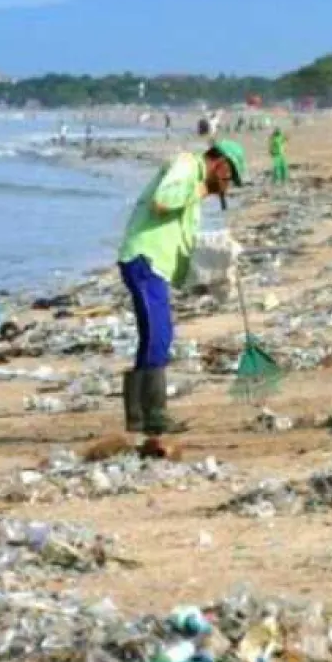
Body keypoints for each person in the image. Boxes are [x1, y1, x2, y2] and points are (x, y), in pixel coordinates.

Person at [117, 140, 246, 457]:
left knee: (156, 336)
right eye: (228, 178)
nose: (224, 187)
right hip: (145, 260)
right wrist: (201, 191)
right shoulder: (187, 165)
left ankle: (141, 418)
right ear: (220, 163)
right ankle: (153, 416)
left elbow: (181, 236)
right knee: (158, 336)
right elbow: (162, 202)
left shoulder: (194, 181)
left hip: (156, 266)